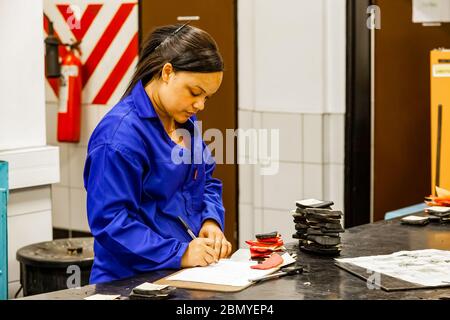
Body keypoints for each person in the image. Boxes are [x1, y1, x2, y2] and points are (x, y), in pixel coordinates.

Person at [83, 23, 232, 284]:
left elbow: (206, 180)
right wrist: (181, 252)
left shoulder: (183, 122)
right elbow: (111, 223)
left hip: (184, 275)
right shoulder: (118, 138)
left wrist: (211, 220)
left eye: (206, 97)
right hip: (129, 281)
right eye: (195, 92)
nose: (199, 105)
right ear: (167, 72)